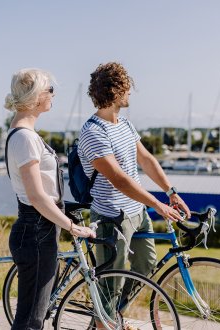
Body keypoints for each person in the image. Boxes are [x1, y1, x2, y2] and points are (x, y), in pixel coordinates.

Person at [78, 62, 191, 282]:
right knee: (111, 282)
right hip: (111, 217)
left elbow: (147, 160)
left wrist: (170, 192)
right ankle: (105, 317)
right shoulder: (93, 132)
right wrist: (158, 205)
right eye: (127, 87)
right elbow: (119, 180)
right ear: (115, 91)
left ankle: (116, 314)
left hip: (137, 212)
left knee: (147, 266)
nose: (130, 92)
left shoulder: (125, 124)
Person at [4, 68, 95, 330]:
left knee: (36, 316)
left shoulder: (25, 135)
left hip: (39, 230)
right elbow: (36, 196)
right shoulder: (24, 137)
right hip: (36, 231)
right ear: (35, 97)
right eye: (49, 89)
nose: (53, 94)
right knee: (30, 321)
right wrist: (71, 226)